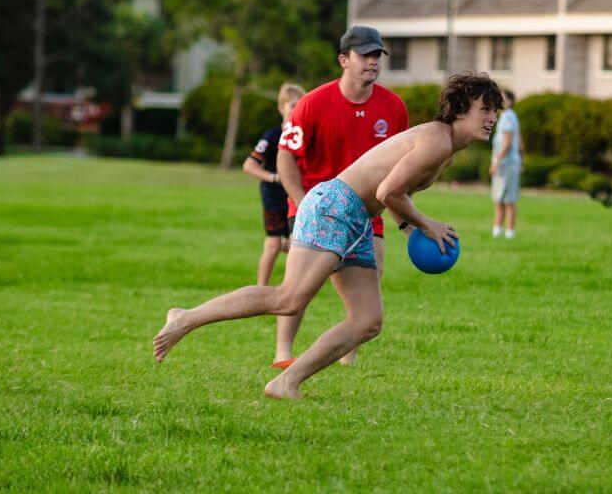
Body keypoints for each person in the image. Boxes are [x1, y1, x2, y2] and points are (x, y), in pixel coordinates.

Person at [152, 73, 502, 400]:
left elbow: (393, 193)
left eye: (495, 110)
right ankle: (185, 317)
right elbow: (388, 191)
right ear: (459, 110)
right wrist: (427, 224)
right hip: (334, 206)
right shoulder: (436, 142)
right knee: (289, 299)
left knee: (367, 321)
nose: (492, 117)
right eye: (485, 109)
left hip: (357, 218)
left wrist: (410, 228)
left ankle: (286, 381)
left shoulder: (445, 149)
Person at [273, 25, 408, 369]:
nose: (373, 61)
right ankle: (283, 353)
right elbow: (285, 157)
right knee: (299, 287)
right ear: (343, 60)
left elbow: (399, 171)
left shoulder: (393, 108)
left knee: (374, 266)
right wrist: (303, 203)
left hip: (365, 208)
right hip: (315, 205)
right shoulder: (312, 103)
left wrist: (404, 221)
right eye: (365, 55)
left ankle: (349, 351)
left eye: (377, 55)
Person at [241, 83, 305, 286]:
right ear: (281, 108)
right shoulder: (272, 136)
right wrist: (274, 177)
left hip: (296, 196)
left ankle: (292, 288)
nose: (297, 110)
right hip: (274, 197)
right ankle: (261, 288)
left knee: (298, 244)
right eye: (293, 105)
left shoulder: (305, 133)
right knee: (273, 244)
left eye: (301, 105)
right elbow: (249, 165)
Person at [489, 88, 525, 239]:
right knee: (499, 199)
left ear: (510, 101)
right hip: (509, 163)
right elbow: (521, 143)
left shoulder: (507, 117)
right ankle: (497, 231)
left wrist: (496, 161)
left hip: (507, 164)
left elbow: (508, 142)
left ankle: (508, 232)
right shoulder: (508, 117)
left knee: (508, 200)